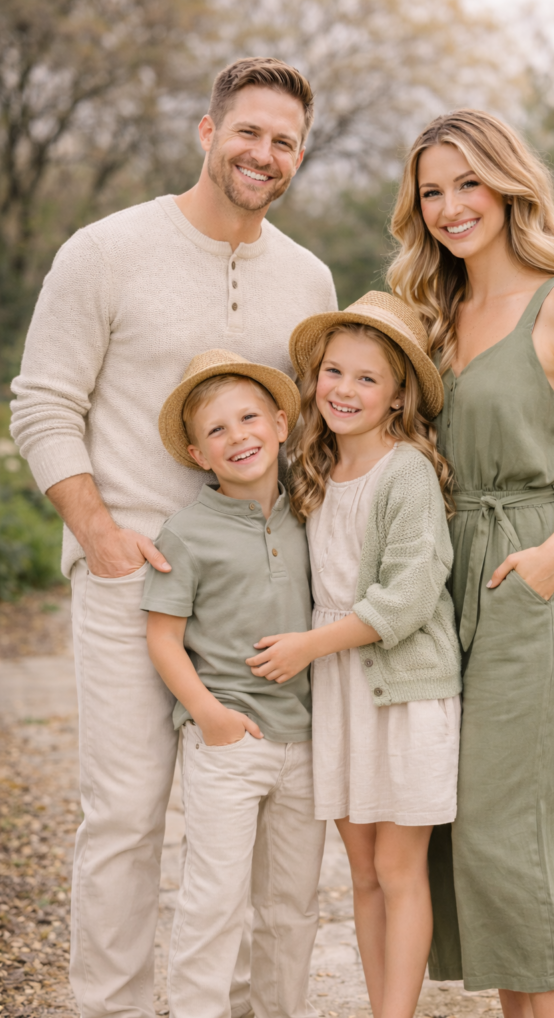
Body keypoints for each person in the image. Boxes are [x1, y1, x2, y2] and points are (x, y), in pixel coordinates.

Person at [9, 57, 336, 1018]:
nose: (263, 153)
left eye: (284, 142)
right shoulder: (105, 251)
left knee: (250, 816)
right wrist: (98, 530)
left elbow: (309, 432)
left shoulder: (307, 277)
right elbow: (43, 404)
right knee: (124, 813)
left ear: (299, 155)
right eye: (248, 132)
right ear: (207, 132)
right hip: (132, 576)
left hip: (253, 596)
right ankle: (109, 1007)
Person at [388, 110, 554, 1018]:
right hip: (438, 577)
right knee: (459, 830)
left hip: (525, 570)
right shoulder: (428, 315)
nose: (451, 206)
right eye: (431, 191)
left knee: (511, 831)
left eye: (468, 183)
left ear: (507, 185)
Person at [244, 291, 462, 1018]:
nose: (343, 389)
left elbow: (408, 598)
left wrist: (309, 645)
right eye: (333, 372)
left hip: (403, 692)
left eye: (367, 378)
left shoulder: (407, 473)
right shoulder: (311, 469)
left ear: (398, 395)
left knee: (398, 868)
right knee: (362, 870)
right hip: (338, 693)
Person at [143, 349, 325, 1018]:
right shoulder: (187, 533)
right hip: (228, 741)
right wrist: (209, 716)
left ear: (279, 424)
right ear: (197, 454)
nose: (237, 437)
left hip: (305, 739)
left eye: (249, 418)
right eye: (216, 430)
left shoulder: (311, 509)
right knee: (214, 899)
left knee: (291, 904)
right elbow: (163, 638)